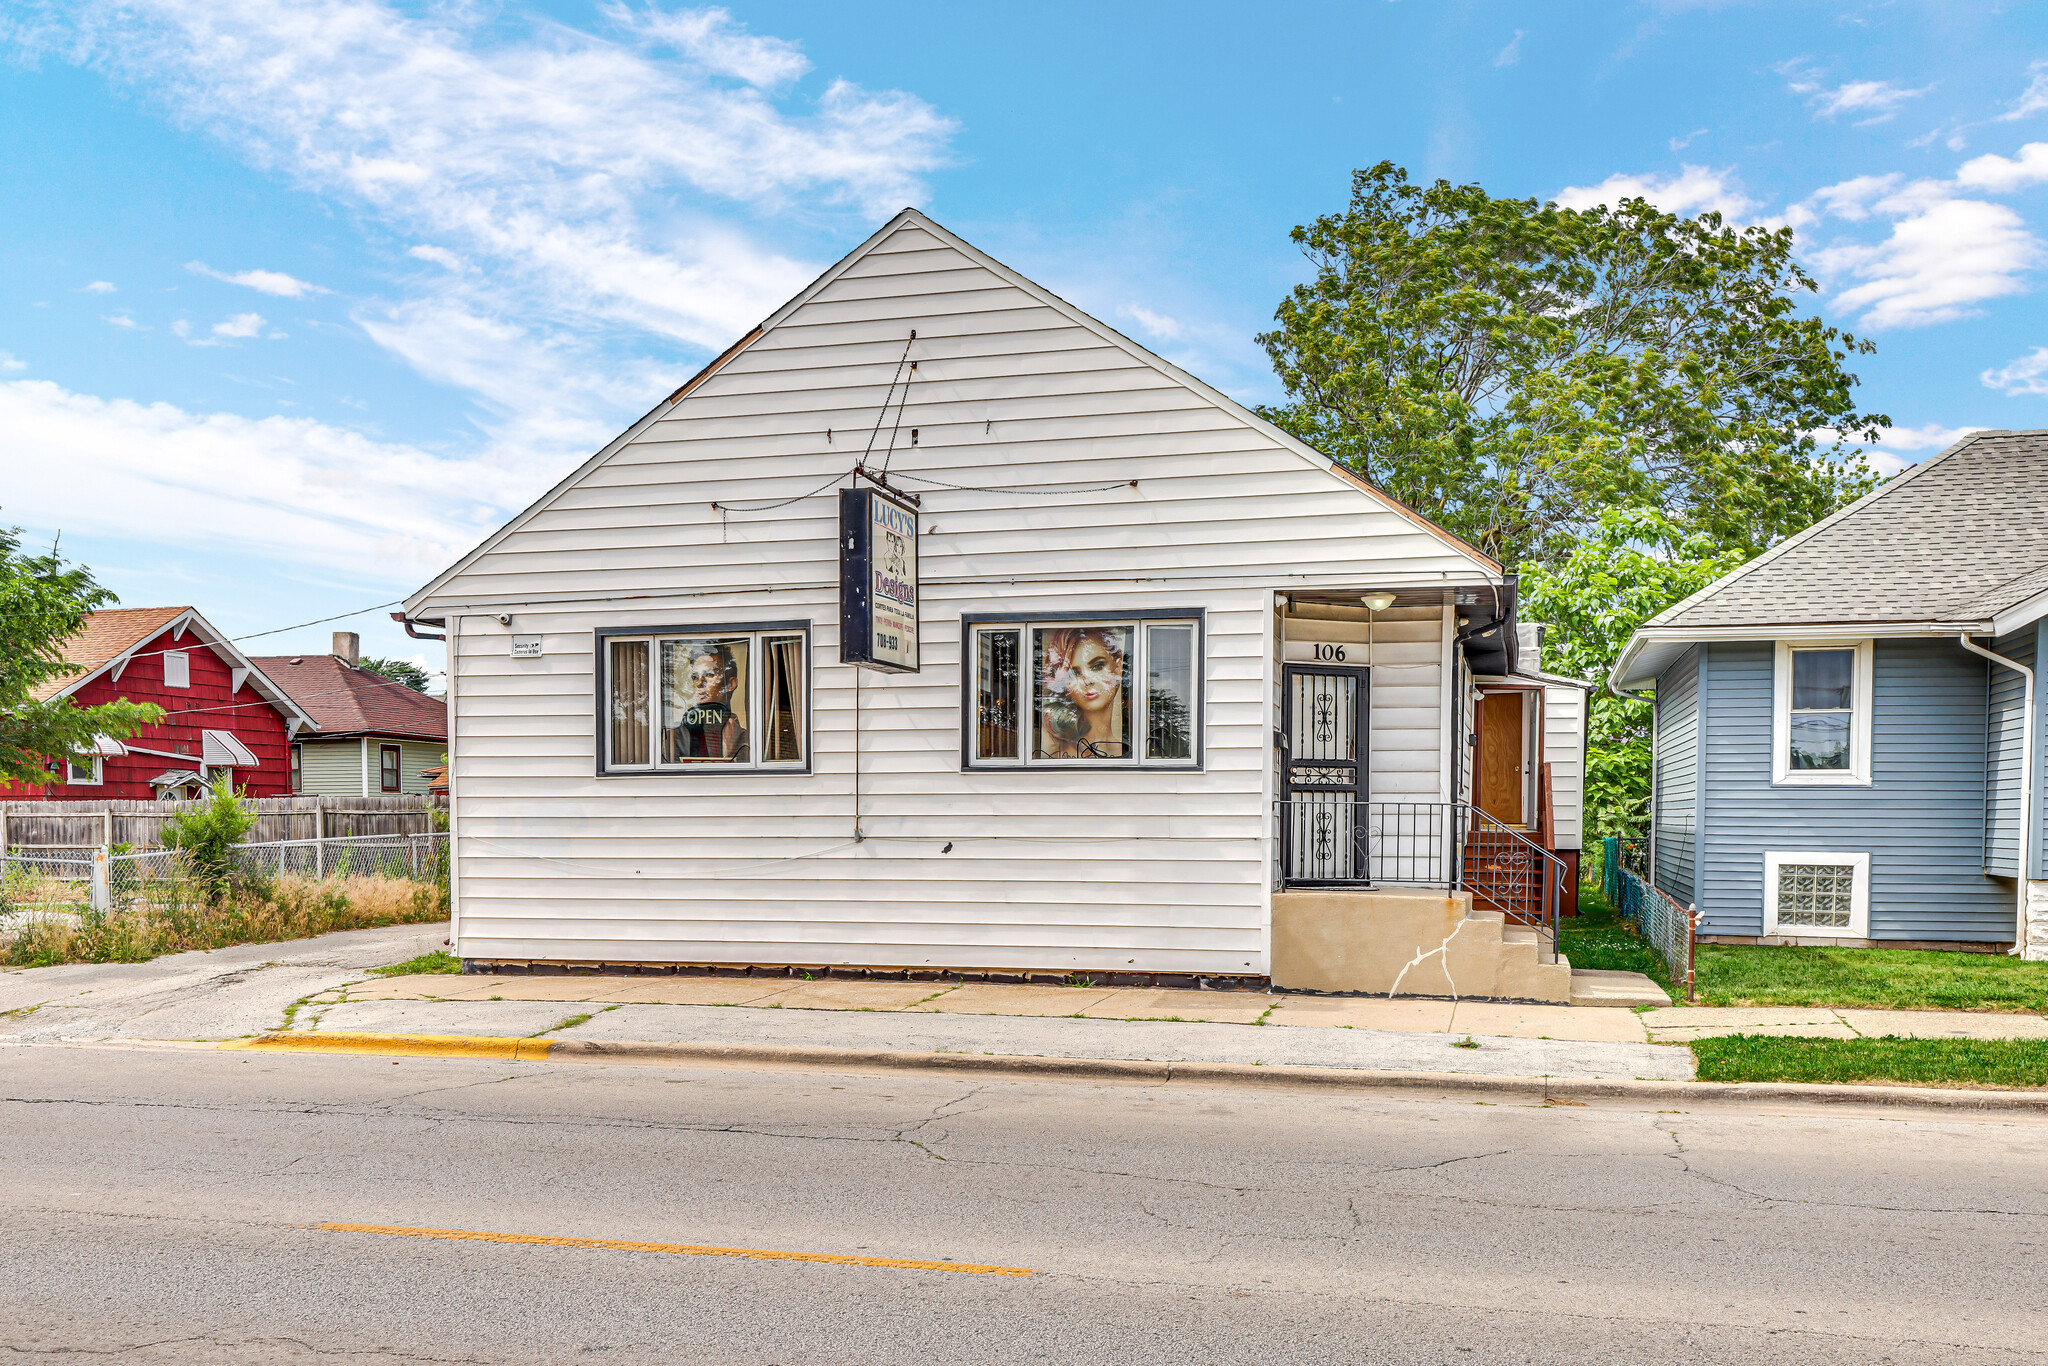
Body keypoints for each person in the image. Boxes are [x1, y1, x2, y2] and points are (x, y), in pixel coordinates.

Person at [1038, 627, 1128, 758]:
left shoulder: (1129, 751)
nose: (1087, 681)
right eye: (1074, 673)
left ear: (1118, 667)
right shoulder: (1058, 756)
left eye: (1097, 666)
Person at [665, 641, 748, 761]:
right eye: (695, 677)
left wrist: (730, 754)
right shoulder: (675, 737)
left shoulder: (746, 738)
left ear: (730, 684)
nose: (699, 683)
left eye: (709, 675)